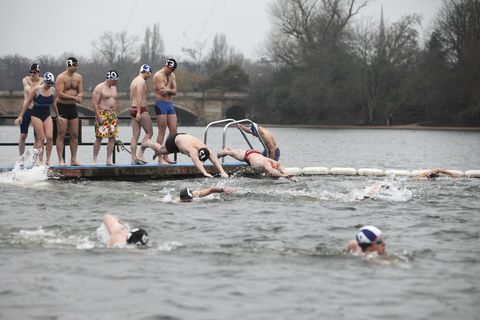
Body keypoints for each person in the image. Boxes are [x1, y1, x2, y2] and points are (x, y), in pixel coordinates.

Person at [15, 72, 64, 165]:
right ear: (44, 81)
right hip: (36, 115)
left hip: (47, 115)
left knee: (49, 137)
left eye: (51, 83)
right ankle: (40, 159)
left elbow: (53, 104)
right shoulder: (36, 90)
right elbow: (27, 103)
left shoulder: (53, 90)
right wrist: (21, 116)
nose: (49, 85)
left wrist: (57, 116)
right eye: (48, 83)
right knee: (41, 138)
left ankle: (48, 159)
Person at [141, 133, 229, 178]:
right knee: (161, 151)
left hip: (183, 142)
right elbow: (196, 162)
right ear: (198, 153)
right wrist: (205, 172)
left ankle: (157, 153)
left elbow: (214, 161)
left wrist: (222, 171)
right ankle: (148, 143)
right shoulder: (192, 150)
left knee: (162, 152)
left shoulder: (207, 149)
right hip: (174, 141)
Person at [56, 57, 83, 166]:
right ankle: (61, 160)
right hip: (62, 106)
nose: (77, 67)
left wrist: (80, 96)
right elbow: (59, 94)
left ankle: (73, 159)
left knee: (75, 135)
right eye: (74, 65)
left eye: (77, 65)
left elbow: (80, 91)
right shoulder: (61, 77)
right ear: (69, 65)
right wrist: (74, 98)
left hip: (72, 107)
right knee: (61, 134)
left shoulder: (79, 77)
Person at [216, 147, 297, 181]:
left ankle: (228, 148)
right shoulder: (267, 163)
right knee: (228, 153)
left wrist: (286, 174)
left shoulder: (274, 163)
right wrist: (285, 176)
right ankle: (217, 156)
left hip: (256, 154)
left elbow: (281, 166)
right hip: (248, 155)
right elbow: (272, 171)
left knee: (234, 151)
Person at [153, 58, 178, 164]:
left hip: (170, 105)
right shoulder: (158, 76)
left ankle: (166, 155)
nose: (172, 72)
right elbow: (162, 93)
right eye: (171, 69)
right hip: (161, 104)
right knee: (162, 131)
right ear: (167, 66)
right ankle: (159, 158)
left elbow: (175, 91)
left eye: (173, 70)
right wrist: (170, 90)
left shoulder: (172, 75)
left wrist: (167, 90)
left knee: (173, 131)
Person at [92, 70, 119, 165]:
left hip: (112, 114)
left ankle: (108, 159)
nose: (116, 82)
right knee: (99, 137)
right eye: (115, 80)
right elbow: (95, 104)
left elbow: (115, 102)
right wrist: (99, 117)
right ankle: (94, 160)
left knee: (112, 137)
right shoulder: (99, 88)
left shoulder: (114, 88)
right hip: (102, 113)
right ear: (110, 79)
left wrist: (116, 115)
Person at [129, 64, 153, 165]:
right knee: (150, 132)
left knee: (135, 135)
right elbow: (139, 96)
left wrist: (134, 110)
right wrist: (139, 112)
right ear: (145, 72)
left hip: (132, 108)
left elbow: (132, 97)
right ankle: (140, 154)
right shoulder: (141, 81)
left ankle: (133, 159)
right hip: (140, 109)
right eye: (149, 74)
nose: (149, 76)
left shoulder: (134, 80)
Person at [19, 63, 43, 159]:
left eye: (34, 72)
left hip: (37, 111)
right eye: (31, 72)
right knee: (23, 135)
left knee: (37, 137)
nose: (32, 74)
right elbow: (30, 91)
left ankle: (33, 159)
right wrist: (38, 88)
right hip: (27, 110)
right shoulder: (26, 80)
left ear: (38, 72)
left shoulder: (42, 80)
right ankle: (21, 158)